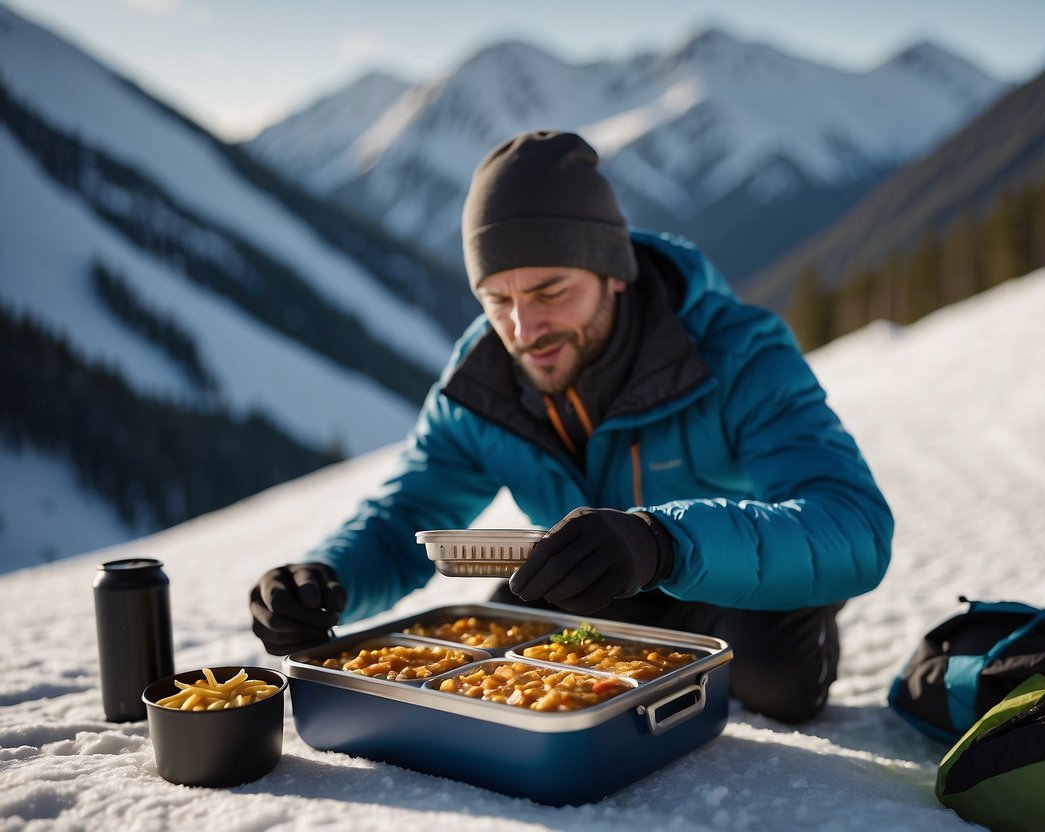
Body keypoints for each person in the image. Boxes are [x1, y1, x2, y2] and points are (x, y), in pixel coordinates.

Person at [249, 130, 894, 723]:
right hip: (593, 580)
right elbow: (407, 511)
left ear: (614, 273)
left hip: (731, 576)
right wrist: (327, 579)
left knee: (774, 681)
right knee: (490, 658)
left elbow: (854, 525)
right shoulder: (482, 382)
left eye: (551, 292)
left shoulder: (738, 352)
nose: (524, 332)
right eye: (498, 300)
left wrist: (660, 541)